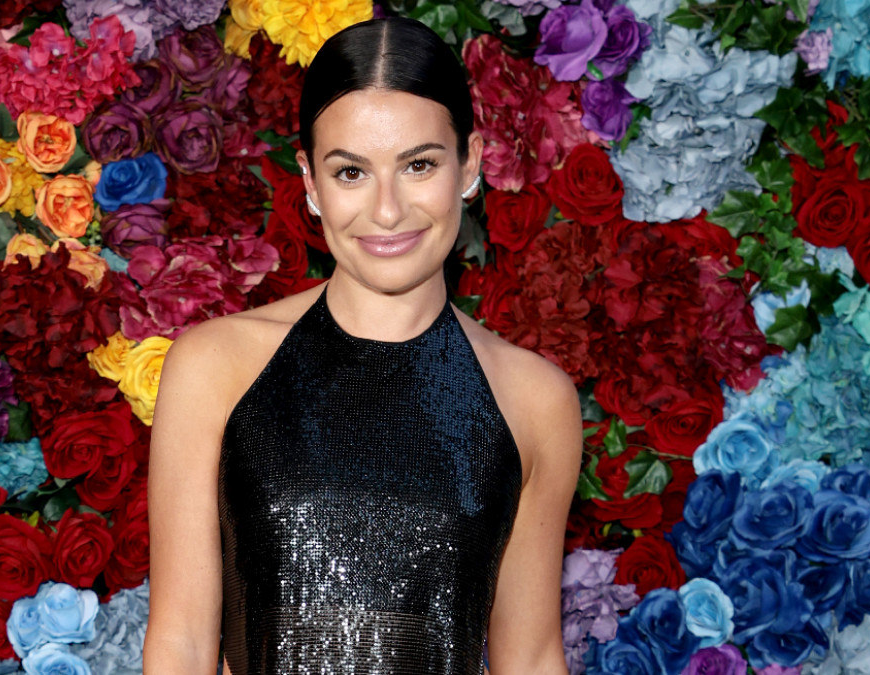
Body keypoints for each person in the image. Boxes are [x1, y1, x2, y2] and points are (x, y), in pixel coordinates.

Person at [143, 16, 583, 675]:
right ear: (311, 184)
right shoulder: (215, 367)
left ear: (471, 163)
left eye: (419, 165)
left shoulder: (534, 399)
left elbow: (532, 657)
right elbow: (179, 643)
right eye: (351, 172)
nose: (385, 210)